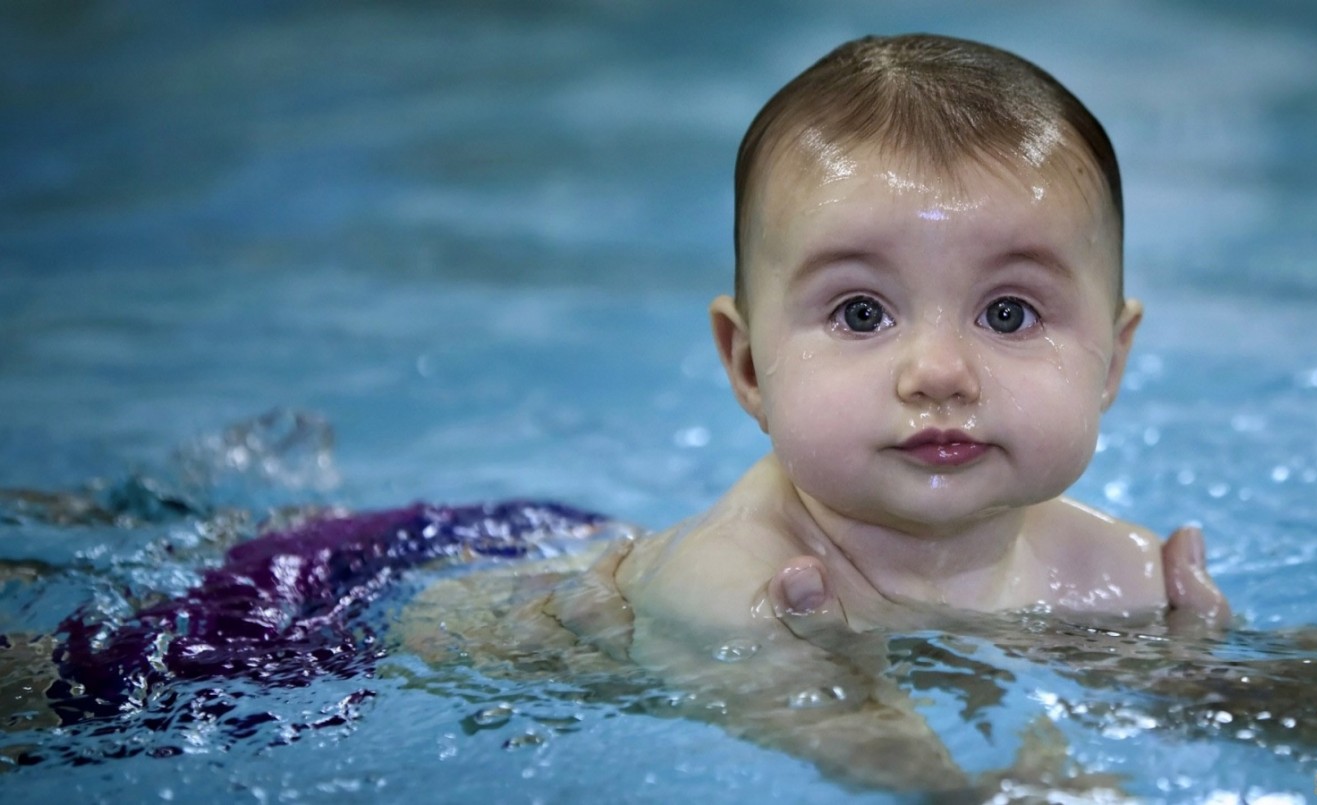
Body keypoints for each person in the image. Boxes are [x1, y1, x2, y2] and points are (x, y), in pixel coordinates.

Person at [402, 33, 1235, 794]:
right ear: (749, 364)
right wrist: (979, 792)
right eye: (862, 313)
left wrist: (1204, 667)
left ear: (1112, 362)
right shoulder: (733, 584)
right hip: (399, 608)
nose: (939, 372)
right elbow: (831, 727)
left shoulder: (1116, 571)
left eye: (1009, 313)